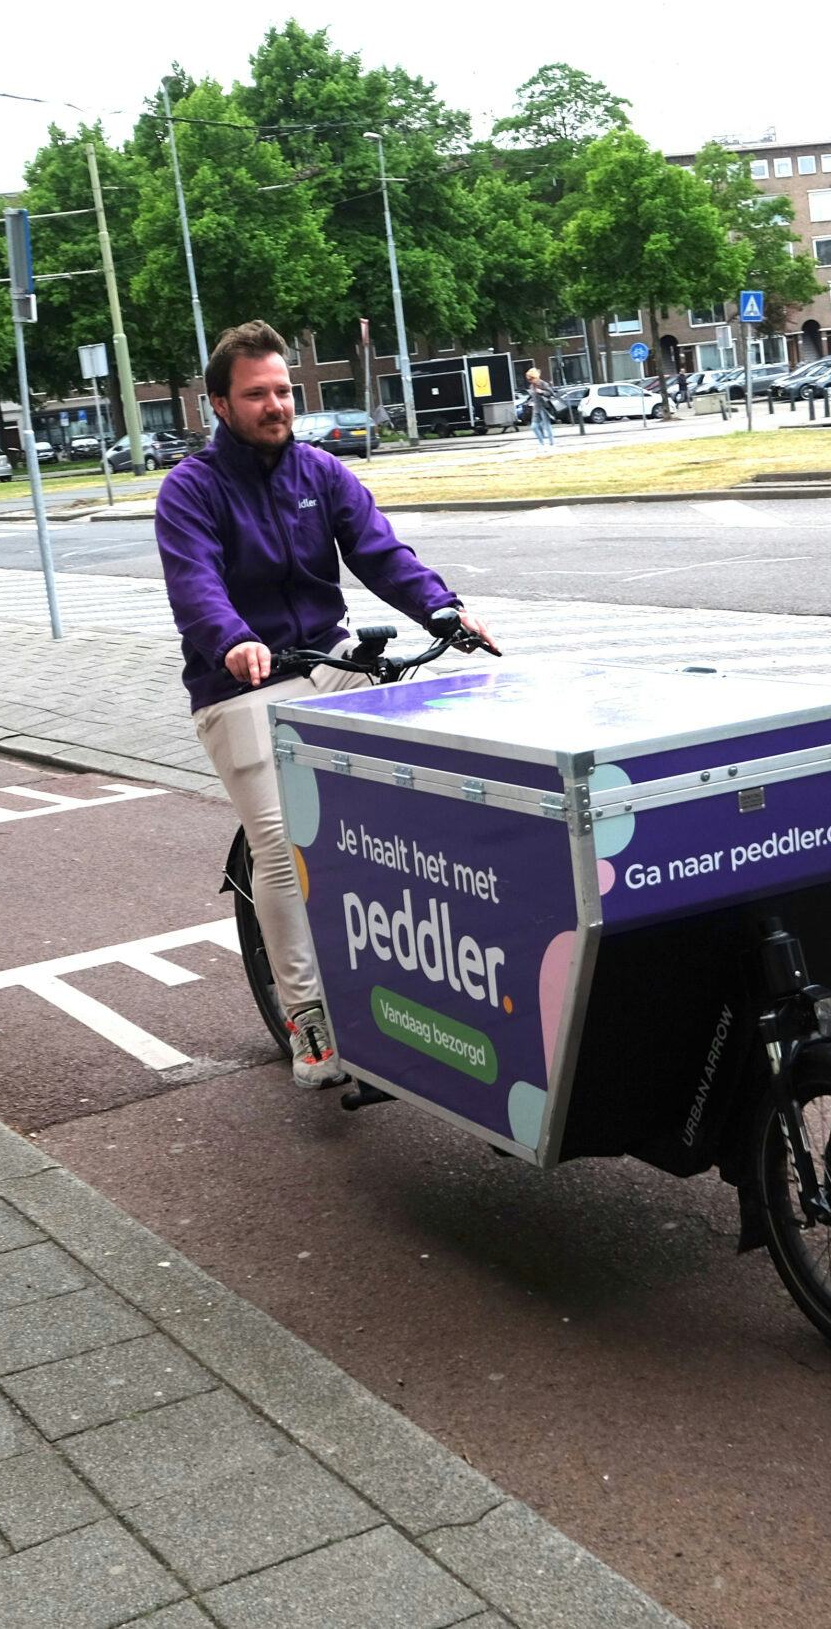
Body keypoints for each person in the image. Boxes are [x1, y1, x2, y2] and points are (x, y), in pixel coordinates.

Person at [158, 321, 495, 1089]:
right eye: (257, 394)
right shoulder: (191, 489)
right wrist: (234, 640)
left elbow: (380, 552)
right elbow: (195, 586)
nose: (276, 405)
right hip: (240, 684)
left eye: (283, 390)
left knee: (437, 744)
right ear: (219, 403)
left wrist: (444, 612)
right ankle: (307, 1016)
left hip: (328, 665)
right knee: (278, 838)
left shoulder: (320, 472)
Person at [524, 368, 557, 448]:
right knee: (534, 427)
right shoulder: (531, 386)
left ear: (535, 377)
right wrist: (530, 401)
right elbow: (533, 396)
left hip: (544, 407)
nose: (530, 381)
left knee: (547, 426)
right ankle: (542, 443)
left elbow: (551, 393)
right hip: (536, 409)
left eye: (531, 379)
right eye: (529, 379)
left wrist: (542, 392)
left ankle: (552, 443)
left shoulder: (543, 384)